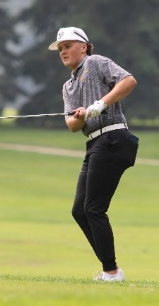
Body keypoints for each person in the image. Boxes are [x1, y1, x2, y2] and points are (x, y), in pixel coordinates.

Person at [48, 26, 139, 282]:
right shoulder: (68, 86)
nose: (63, 51)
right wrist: (81, 115)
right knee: (80, 211)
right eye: (60, 48)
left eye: (68, 46)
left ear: (84, 47)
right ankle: (112, 269)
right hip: (95, 143)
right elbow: (72, 126)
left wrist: (100, 104)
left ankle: (111, 272)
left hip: (113, 137)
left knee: (94, 209)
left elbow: (129, 81)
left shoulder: (96, 62)